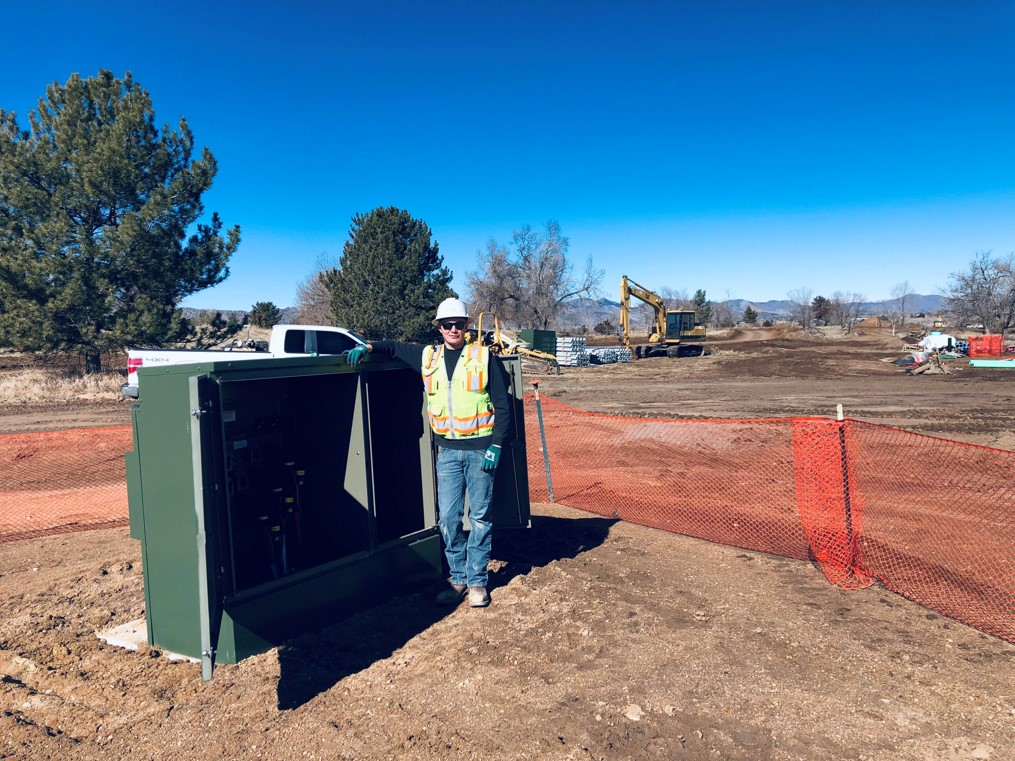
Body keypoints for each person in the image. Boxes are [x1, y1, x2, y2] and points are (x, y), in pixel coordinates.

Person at [345, 297, 511, 609]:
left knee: (479, 518)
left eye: (458, 324)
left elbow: (502, 405)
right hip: (447, 452)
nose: (453, 329)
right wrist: (366, 348)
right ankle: (457, 578)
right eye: (447, 324)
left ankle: (477, 583)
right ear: (439, 328)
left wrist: (496, 446)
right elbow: (393, 347)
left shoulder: (483, 357)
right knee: (448, 519)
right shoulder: (428, 356)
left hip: (479, 451)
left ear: (466, 327)